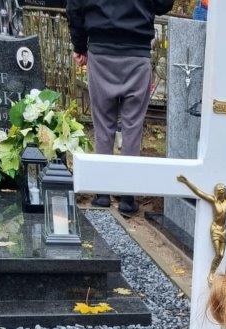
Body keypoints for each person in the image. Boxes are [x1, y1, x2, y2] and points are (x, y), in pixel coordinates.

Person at [66, 0, 174, 215]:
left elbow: (74, 7)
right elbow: (164, 4)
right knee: (132, 127)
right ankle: (127, 196)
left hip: (101, 51)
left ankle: (102, 193)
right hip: (137, 53)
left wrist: (79, 46)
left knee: (103, 125)